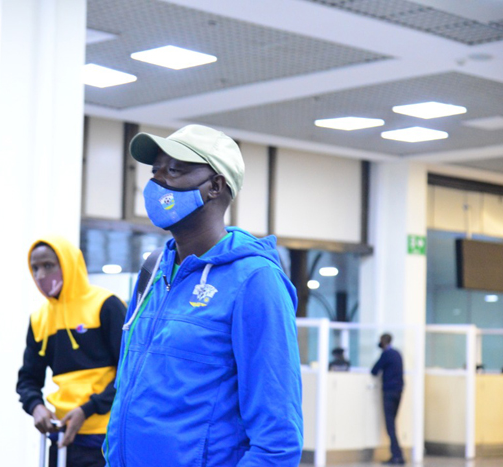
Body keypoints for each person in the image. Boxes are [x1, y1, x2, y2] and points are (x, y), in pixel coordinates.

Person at [103, 124, 304, 466]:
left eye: (174, 170)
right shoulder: (153, 270)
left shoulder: (255, 280)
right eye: (155, 171)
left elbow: (277, 441)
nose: (157, 181)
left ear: (215, 186)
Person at [16, 236, 126, 467]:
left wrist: (88, 409)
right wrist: (36, 407)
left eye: (48, 265)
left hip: (107, 434)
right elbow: (27, 379)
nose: (41, 275)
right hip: (63, 435)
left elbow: (129, 371)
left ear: (68, 263)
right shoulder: (39, 319)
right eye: (35, 268)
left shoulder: (106, 304)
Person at [371, 333, 405, 465]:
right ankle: (397, 454)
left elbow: (374, 370)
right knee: (392, 423)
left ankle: (397, 455)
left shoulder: (386, 354)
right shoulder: (397, 353)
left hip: (389, 392)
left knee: (390, 424)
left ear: (383, 341)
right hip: (398, 391)